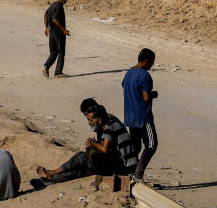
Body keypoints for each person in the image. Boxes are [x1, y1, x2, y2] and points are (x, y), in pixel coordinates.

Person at [35, 104, 138, 185]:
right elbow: (107, 146)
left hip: (124, 167)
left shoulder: (110, 125)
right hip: (123, 165)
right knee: (84, 169)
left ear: (99, 118)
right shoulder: (107, 125)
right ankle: (52, 179)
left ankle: (53, 173)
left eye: (91, 119)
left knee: (81, 157)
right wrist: (94, 144)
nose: (89, 122)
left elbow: (105, 149)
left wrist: (93, 144)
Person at [122, 48, 159, 180]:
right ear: (147, 60)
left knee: (136, 147)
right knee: (151, 145)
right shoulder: (145, 76)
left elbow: (124, 86)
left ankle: (131, 171)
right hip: (143, 117)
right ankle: (138, 173)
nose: (153, 65)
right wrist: (153, 94)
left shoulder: (129, 72)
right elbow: (146, 98)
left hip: (130, 117)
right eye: (153, 62)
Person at [43, 0, 71, 78]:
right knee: (61, 52)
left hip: (52, 32)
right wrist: (64, 30)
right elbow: (55, 19)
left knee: (54, 52)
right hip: (58, 33)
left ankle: (46, 66)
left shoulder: (53, 5)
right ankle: (58, 73)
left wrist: (47, 27)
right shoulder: (59, 6)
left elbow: (46, 14)